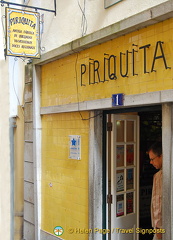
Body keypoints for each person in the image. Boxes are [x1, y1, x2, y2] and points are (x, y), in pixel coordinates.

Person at [148, 142, 162, 240]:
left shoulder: (159, 177)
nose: (151, 162)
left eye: (152, 159)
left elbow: (158, 202)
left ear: (161, 156)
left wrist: (158, 228)